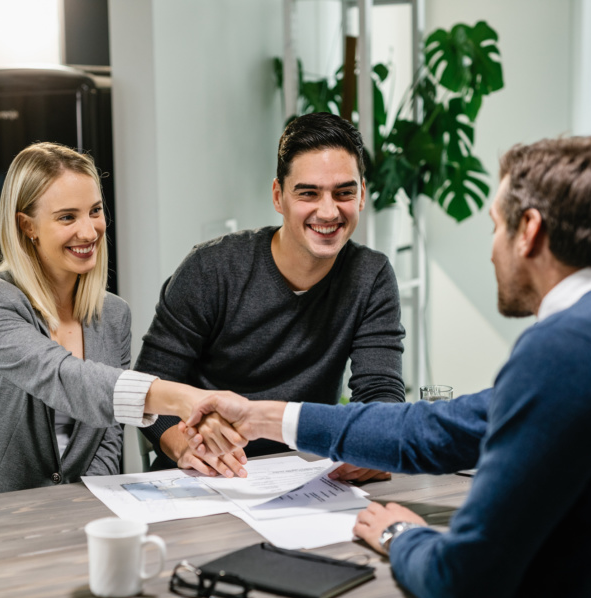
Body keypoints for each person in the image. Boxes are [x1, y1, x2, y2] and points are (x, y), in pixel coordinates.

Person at [186, 136, 591, 598]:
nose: (492, 251)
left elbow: (465, 581)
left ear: (529, 229)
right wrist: (265, 417)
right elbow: (438, 428)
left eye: (495, 225)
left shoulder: (569, 350)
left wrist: (401, 534)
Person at [0, 143, 227, 502]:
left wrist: (79, 511)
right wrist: (180, 397)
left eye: (95, 211)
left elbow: (107, 441)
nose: (89, 231)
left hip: (67, 518)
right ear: (27, 226)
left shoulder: (113, 315)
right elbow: (61, 376)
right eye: (67, 217)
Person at [135, 112, 406, 479]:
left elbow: (380, 390)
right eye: (308, 193)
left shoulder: (370, 276)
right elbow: (148, 390)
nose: (328, 211)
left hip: (308, 479)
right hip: (202, 478)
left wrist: (371, 446)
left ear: (361, 196)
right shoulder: (211, 268)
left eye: (344, 192)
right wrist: (187, 450)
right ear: (279, 197)